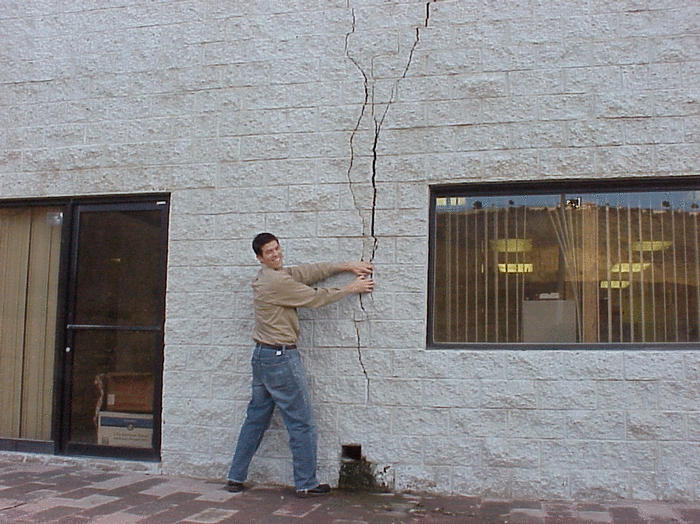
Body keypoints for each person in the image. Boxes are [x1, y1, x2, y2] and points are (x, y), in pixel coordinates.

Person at [226, 232, 374, 497]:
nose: (276, 254)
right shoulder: (276, 282)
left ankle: (235, 477)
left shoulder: (272, 275)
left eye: (277, 248)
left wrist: (344, 266)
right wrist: (350, 289)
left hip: (262, 357)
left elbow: (306, 273)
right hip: (280, 359)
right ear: (259, 257)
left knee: (255, 421)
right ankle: (306, 483)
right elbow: (314, 297)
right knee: (301, 422)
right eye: (269, 252)